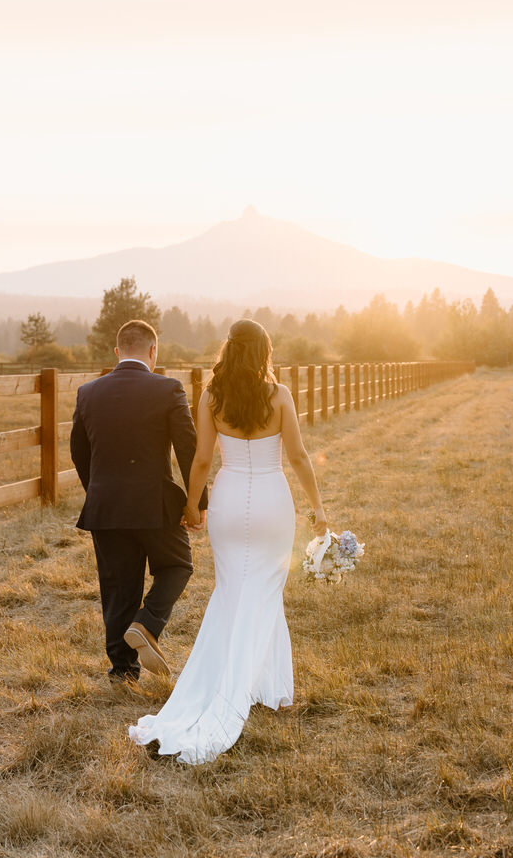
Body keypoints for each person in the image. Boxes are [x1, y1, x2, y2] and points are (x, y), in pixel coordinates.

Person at [127, 318, 328, 764]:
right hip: (273, 502)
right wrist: (318, 508)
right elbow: (296, 455)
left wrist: (193, 507)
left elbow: (201, 460)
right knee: (263, 593)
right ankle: (245, 689)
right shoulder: (279, 396)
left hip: (230, 500)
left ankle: (265, 686)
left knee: (235, 593)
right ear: (264, 353)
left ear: (229, 351)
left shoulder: (212, 397)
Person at [69, 319, 206, 681]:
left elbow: (78, 452)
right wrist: (197, 503)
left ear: (117, 352)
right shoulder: (168, 388)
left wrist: (99, 491)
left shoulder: (88, 392)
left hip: (106, 505)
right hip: (155, 504)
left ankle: (122, 670)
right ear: (153, 351)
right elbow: (188, 449)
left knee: (117, 587)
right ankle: (147, 623)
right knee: (177, 565)